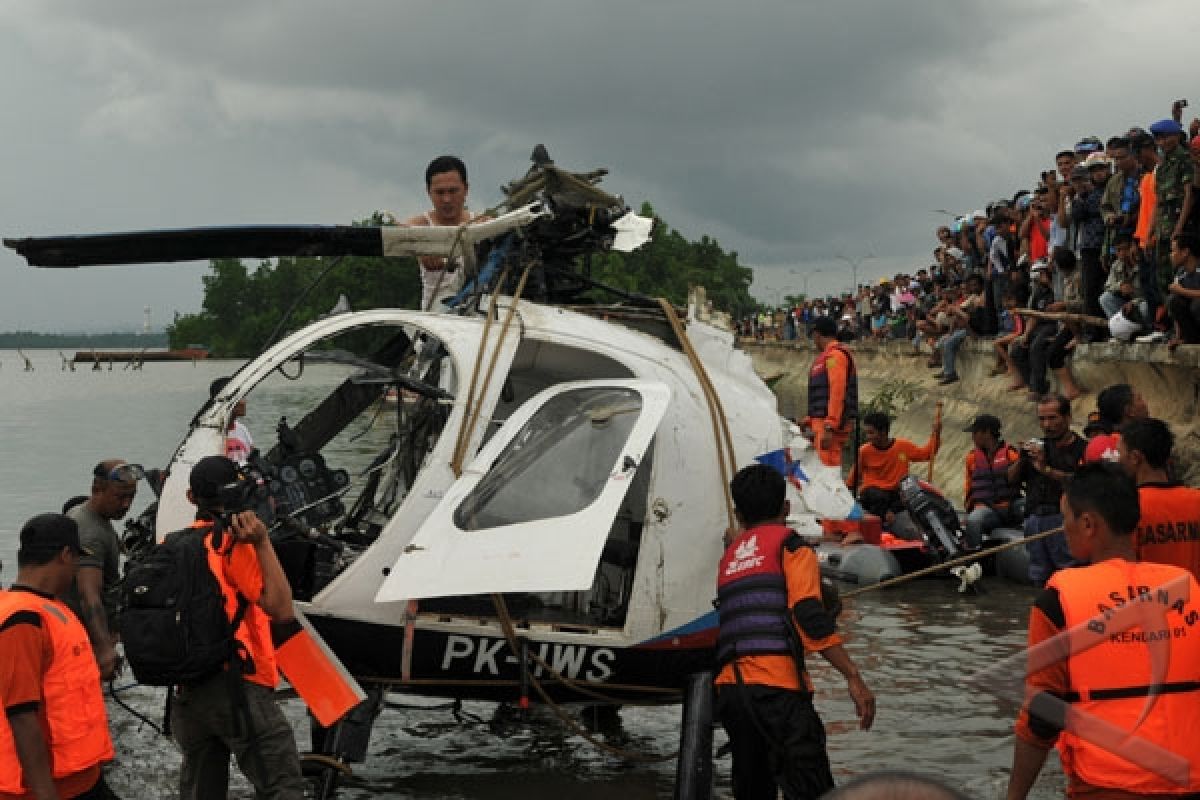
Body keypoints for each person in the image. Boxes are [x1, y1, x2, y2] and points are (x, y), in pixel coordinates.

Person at [1006, 462, 1200, 798]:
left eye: (1065, 517)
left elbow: (1042, 717)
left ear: (1087, 524)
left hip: (1108, 785)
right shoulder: (1188, 588)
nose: (1062, 528)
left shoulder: (1058, 601)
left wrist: (1014, 796)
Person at [715, 464, 874, 800]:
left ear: (739, 513)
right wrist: (853, 676)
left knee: (753, 791)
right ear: (786, 508)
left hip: (732, 693)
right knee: (811, 789)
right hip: (777, 693)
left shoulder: (729, 558)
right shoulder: (791, 547)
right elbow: (808, 615)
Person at [169, 456, 305, 799]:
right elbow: (281, 608)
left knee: (201, 790)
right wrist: (261, 542)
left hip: (186, 693)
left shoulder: (171, 545)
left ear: (190, 497)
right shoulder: (231, 544)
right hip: (235, 687)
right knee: (282, 786)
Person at [0, 513, 115, 800]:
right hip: (51, 788)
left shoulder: (51, 608)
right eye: (76, 559)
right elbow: (21, 714)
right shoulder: (22, 620)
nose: (76, 569)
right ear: (65, 555)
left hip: (82, 777)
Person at [61, 459, 139, 681]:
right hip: (83, 641)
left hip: (86, 637)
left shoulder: (90, 514)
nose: (126, 504)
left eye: (131, 497)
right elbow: (89, 595)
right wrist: (104, 648)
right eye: (120, 497)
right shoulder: (90, 532)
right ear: (97, 489)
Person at [1007, 394, 1086, 586]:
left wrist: (1046, 469)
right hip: (1034, 519)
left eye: (1052, 418)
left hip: (1064, 520)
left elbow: (1081, 483)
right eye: (1042, 419)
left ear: (1067, 418)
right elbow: (1010, 480)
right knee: (1039, 577)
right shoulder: (1038, 447)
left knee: (1070, 573)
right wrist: (1023, 459)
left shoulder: (1081, 448)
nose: (1047, 424)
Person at [1118, 417, 1200, 582]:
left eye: (1120, 453)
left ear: (1135, 457)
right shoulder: (1196, 500)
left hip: (1151, 604)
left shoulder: (1126, 509)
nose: (1118, 460)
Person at [402, 155, 487, 311]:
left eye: (453, 191)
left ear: (466, 189)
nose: (447, 199)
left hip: (479, 315)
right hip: (435, 319)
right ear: (429, 192)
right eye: (440, 192)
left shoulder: (484, 224)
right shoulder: (417, 226)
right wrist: (420, 250)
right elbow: (400, 235)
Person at [847, 411, 940, 525]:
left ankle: (892, 514)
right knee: (876, 495)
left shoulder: (903, 446)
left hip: (896, 494)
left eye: (871, 433)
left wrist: (936, 434)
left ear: (883, 432)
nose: (868, 437)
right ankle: (884, 518)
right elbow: (853, 478)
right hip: (874, 494)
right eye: (867, 433)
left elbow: (927, 454)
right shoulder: (864, 451)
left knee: (913, 492)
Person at [803, 316, 858, 467]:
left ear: (817, 335)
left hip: (829, 427)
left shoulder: (835, 356)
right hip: (820, 423)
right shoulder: (827, 356)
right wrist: (809, 419)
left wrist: (830, 426)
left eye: (814, 336)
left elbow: (837, 391)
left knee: (827, 470)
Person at [961, 414, 1022, 549]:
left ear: (987, 432)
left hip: (1010, 506)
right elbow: (969, 487)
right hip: (987, 509)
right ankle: (974, 557)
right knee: (974, 520)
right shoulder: (972, 458)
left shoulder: (1010, 454)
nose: (972, 437)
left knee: (1033, 510)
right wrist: (970, 510)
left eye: (975, 432)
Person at [1082, 383, 1148, 463]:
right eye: (1139, 399)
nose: (1144, 403)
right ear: (1129, 411)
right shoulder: (1138, 445)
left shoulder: (1099, 444)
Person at [1166, 231, 1200, 346]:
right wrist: (1178, 337)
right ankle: (1188, 338)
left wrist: (1181, 291)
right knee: (1173, 300)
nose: (1171, 255)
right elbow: (1177, 309)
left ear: (1185, 252)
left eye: (1173, 250)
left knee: (1197, 305)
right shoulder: (1180, 273)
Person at [209, 377, 253, 464]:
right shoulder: (210, 434)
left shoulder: (242, 429)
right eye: (240, 397)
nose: (244, 402)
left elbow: (252, 458)